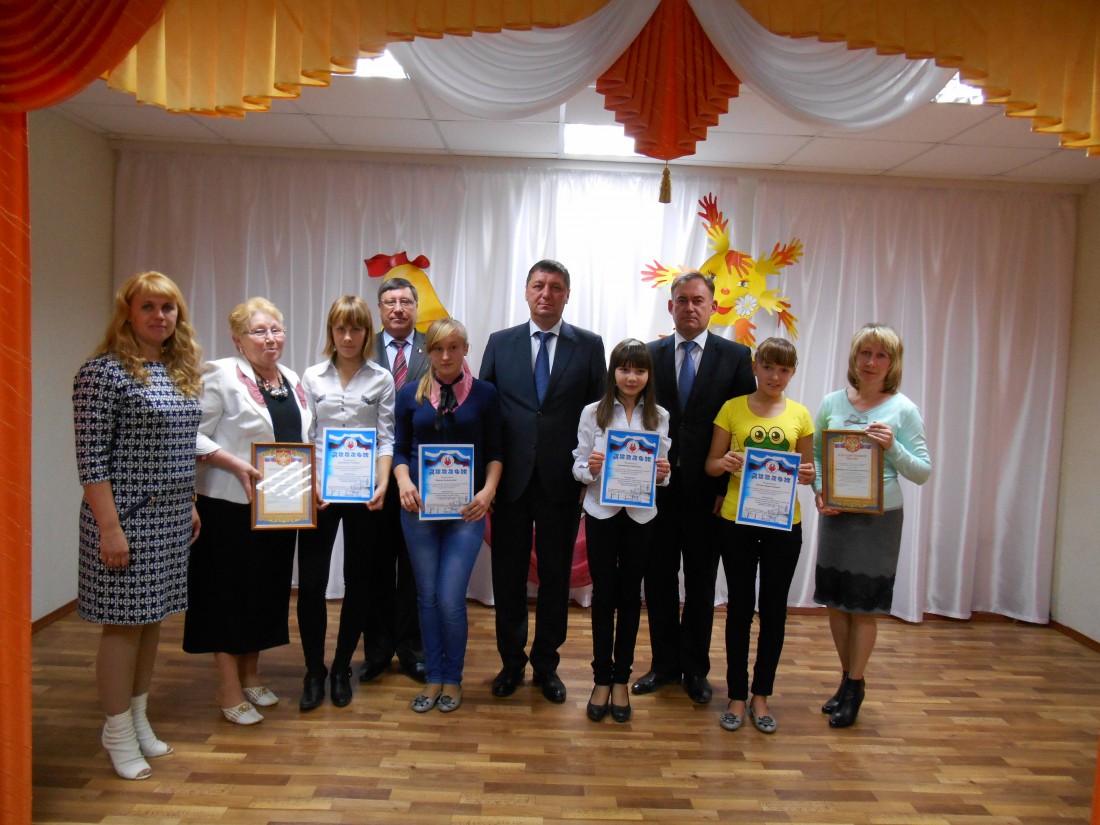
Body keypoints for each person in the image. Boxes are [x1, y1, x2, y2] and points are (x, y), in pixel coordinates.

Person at [73, 271, 204, 780]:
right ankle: (117, 730)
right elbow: (92, 462)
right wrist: (109, 528)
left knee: (152, 621)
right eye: (148, 306)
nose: (159, 316)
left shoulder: (176, 371)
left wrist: (188, 501)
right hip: (123, 518)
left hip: (169, 516)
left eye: (168, 308)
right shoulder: (103, 373)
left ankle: (138, 717)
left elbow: (179, 448)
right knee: (124, 626)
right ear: (128, 313)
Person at [480, 259, 605, 704]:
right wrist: (486, 479)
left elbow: (599, 414)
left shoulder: (588, 345)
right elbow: (487, 412)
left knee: (555, 578)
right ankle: (511, 662)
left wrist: (591, 472)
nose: (546, 294)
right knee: (508, 577)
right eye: (538, 285)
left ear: (567, 295)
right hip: (510, 482)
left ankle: (546, 665)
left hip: (562, 482)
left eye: (555, 287)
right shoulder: (501, 343)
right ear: (526, 291)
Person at [184, 297, 313, 725]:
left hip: (279, 508)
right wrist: (232, 461)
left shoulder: (291, 378)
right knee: (227, 595)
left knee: (264, 592)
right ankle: (227, 687)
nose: (270, 338)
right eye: (259, 331)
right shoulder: (220, 375)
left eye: (276, 329)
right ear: (238, 339)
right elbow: (190, 435)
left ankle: (251, 674)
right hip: (229, 506)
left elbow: (300, 439)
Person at [634, 271, 755, 705]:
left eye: (698, 300)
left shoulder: (736, 357)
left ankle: (695, 669)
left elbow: (743, 426)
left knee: (701, 583)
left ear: (713, 307)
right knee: (659, 579)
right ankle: (664, 665)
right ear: (670, 306)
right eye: (682, 300)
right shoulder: (649, 355)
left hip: (709, 492)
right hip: (657, 489)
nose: (690, 307)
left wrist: (727, 486)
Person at [813, 322, 931, 728]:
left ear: (892, 363)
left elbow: (922, 471)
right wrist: (820, 490)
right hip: (837, 516)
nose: (872, 362)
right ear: (854, 357)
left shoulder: (904, 409)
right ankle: (848, 678)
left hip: (880, 519)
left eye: (882, 355)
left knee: (863, 606)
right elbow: (816, 457)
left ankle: (855, 687)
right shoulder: (831, 402)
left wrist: (892, 445)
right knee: (836, 602)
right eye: (865, 353)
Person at [704, 337, 815, 734]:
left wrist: (808, 473)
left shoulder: (801, 415)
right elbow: (711, 465)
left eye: (784, 370)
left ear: (793, 373)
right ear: (755, 367)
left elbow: (808, 472)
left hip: (784, 524)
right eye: (768, 367)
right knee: (739, 609)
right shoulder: (732, 408)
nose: (775, 376)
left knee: (774, 611)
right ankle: (736, 694)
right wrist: (726, 462)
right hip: (736, 521)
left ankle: (761, 695)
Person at [393, 318, 503, 713]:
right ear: (428, 352)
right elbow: (400, 449)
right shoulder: (410, 394)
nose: (445, 355)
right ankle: (434, 676)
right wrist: (403, 481)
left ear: (465, 349)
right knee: (426, 597)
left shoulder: (485, 394)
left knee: (451, 598)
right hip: (419, 510)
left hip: (466, 512)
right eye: (438, 348)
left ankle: (453, 678)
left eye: (453, 347)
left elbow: (495, 452)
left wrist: (488, 492)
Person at [296, 296, 395, 711]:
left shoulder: (381, 379)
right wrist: (311, 482)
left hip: (364, 494)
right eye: (341, 328)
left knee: (360, 581)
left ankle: (340, 668)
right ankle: (313, 670)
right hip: (319, 493)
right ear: (331, 332)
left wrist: (383, 482)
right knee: (312, 584)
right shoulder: (311, 377)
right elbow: (306, 436)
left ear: (367, 333)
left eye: (356, 328)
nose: (349, 337)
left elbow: (386, 437)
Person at [572, 339, 671, 723]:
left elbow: (662, 471)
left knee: (631, 596)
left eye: (639, 370)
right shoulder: (592, 413)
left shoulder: (659, 416)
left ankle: (620, 680)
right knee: (603, 596)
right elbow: (578, 465)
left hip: (641, 517)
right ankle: (600, 678)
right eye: (625, 369)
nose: (632, 377)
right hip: (601, 513)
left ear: (649, 375)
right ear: (613, 371)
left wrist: (663, 473)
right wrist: (591, 468)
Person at [361, 277, 428, 685]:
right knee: (376, 567)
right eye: (390, 302)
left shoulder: (434, 347)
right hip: (368, 476)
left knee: (414, 568)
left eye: (405, 301)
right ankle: (377, 651)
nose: (398, 308)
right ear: (380, 308)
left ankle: (412, 649)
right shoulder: (361, 347)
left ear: (416, 307)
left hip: (418, 478)